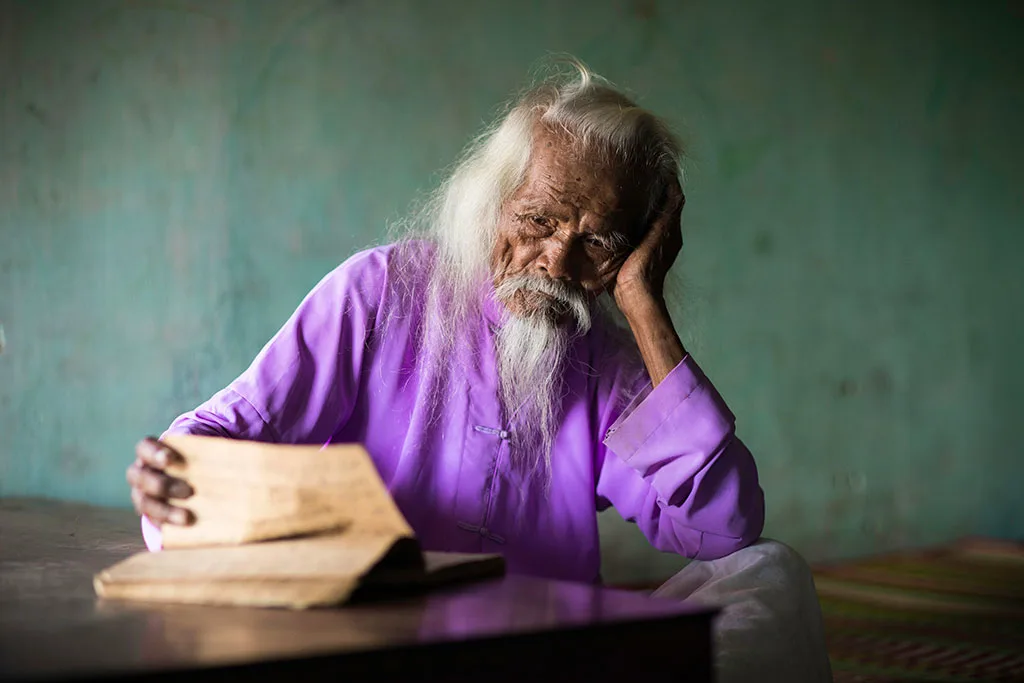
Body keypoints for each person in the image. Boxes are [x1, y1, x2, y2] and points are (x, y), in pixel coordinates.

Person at [126, 61, 831, 682]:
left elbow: (724, 529)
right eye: (537, 221)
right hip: (370, 643)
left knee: (771, 574)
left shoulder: (603, 357)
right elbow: (222, 432)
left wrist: (644, 306)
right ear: (491, 203)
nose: (556, 261)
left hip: (544, 655)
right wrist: (179, 475)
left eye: (597, 242)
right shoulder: (378, 292)